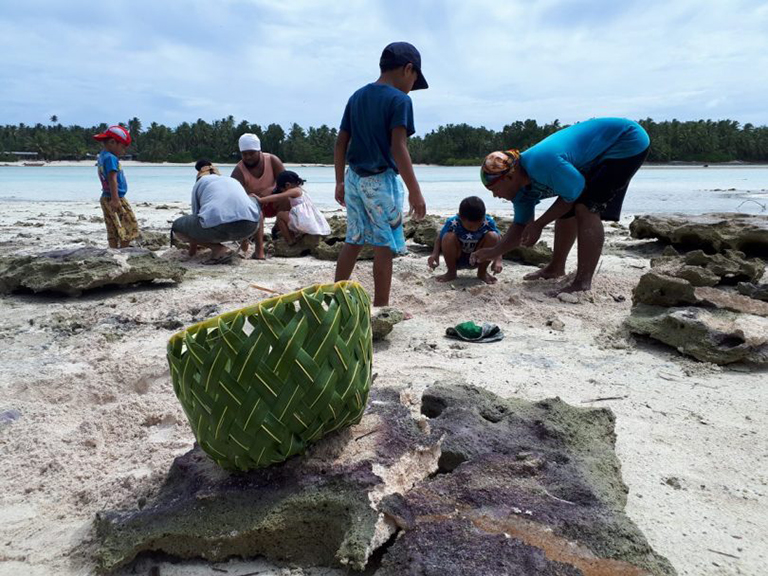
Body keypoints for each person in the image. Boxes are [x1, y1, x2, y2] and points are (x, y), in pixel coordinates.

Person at [473, 117, 650, 294]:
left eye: (494, 189)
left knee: (586, 207)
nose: (496, 195)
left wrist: (540, 224)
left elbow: (575, 190)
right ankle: (555, 268)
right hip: (593, 155)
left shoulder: (542, 163)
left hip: (625, 140)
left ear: (510, 177)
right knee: (566, 209)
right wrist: (493, 251)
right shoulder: (521, 193)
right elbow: (520, 226)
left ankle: (582, 282)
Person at [333, 41, 428, 306]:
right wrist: (415, 191)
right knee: (383, 245)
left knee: (353, 239)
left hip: (353, 178)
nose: (412, 88)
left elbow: (341, 142)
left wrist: (339, 181)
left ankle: (337, 299)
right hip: (380, 181)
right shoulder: (400, 100)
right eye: (415, 80)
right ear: (408, 69)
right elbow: (398, 147)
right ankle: (381, 307)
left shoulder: (357, 96)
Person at [171, 160, 262, 264]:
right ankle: (251, 246)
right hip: (250, 227)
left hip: (220, 228)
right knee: (253, 202)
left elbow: (196, 216)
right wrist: (244, 240)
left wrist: (192, 252)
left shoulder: (200, 183)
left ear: (199, 176)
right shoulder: (232, 180)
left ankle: (217, 248)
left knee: (177, 227)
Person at [231, 133, 286, 260]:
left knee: (290, 198)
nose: (248, 157)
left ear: (259, 151)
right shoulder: (239, 171)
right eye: (245, 154)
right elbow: (234, 195)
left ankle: (281, 232)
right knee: (256, 208)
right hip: (253, 206)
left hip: (273, 201)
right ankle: (259, 250)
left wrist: (271, 191)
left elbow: (287, 183)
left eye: (251, 153)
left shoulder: (272, 160)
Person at [428, 196, 503, 284]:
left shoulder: (488, 222)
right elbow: (440, 237)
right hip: (457, 258)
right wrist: (435, 254)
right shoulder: (453, 222)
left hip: (478, 258)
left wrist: (498, 259)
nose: (474, 229)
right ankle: (451, 272)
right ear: (460, 217)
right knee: (448, 236)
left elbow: (499, 238)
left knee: (493, 236)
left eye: (478, 225)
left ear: (484, 217)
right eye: (470, 226)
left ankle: (482, 272)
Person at [94, 125, 139, 248]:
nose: (124, 151)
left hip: (105, 197)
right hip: (115, 197)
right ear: (113, 142)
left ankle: (113, 249)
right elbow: (112, 179)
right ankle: (124, 250)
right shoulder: (111, 158)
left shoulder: (102, 156)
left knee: (112, 227)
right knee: (129, 225)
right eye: (123, 147)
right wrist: (115, 199)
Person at [257, 170, 331, 245]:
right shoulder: (301, 190)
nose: (282, 192)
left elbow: (277, 197)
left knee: (280, 215)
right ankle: (295, 237)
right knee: (286, 213)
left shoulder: (294, 191)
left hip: (304, 222)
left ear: (287, 185)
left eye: (281, 190)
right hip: (309, 221)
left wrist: (261, 200)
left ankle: (290, 241)